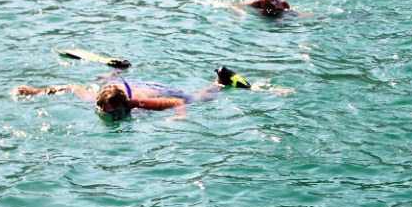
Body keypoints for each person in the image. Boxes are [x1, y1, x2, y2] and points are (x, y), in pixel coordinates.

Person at [13, 67, 249, 121]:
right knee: (100, 83)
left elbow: (176, 101)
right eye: (110, 112)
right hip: (123, 85)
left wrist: (179, 115)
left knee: (198, 99)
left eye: (117, 112)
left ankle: (219, 81)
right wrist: (36, 91)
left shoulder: (137, 104)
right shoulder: (94, 101)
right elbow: (70, 86)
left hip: (157, 92)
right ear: (100, 107)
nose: (114, 116)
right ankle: (116, 71)